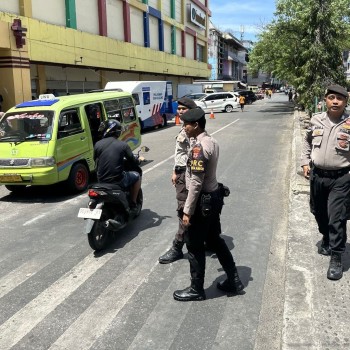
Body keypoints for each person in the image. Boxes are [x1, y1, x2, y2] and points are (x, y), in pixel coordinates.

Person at [173, 108, 244, 301]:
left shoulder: (199, 148)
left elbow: (196, 183)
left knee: (194, 245)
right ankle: (234, 281)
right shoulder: (210, 141)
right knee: (215, 240)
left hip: (201, 201)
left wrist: (187, 211)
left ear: (195, 125)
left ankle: (196, 289)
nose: (183, 127)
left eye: (185, 124)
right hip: (213, 199)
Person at [301, 84, 350, 281]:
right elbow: (306, 140)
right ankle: (327, 238)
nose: (335, 101)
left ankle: (336, 257)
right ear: (325, 100)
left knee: (336, 218)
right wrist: (305, 162)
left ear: (346, 102)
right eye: (331, 97)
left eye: (340, 98)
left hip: (341, 178)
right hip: (317, 175)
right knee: (318, 212)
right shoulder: (316, 119)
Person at [158, 97, 198, 264]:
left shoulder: (193, 129)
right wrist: (175, 170)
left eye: (184, 109)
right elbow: (180, 154)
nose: (180, 111)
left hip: (188, 176)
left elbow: (194, 156)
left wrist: (184, 174)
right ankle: (207, 239)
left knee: (184, 211)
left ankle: (177, 247)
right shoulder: (184, 127)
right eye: (179, 108)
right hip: (181, 172)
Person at [94, 119, 141, 210]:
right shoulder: (123, 145)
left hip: (101, 180)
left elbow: (96, 161)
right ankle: (133, 203)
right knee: (137, 176)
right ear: (116, 131)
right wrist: (138, 160)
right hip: (117, 180)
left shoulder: (97, 144)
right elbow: (132, 160)